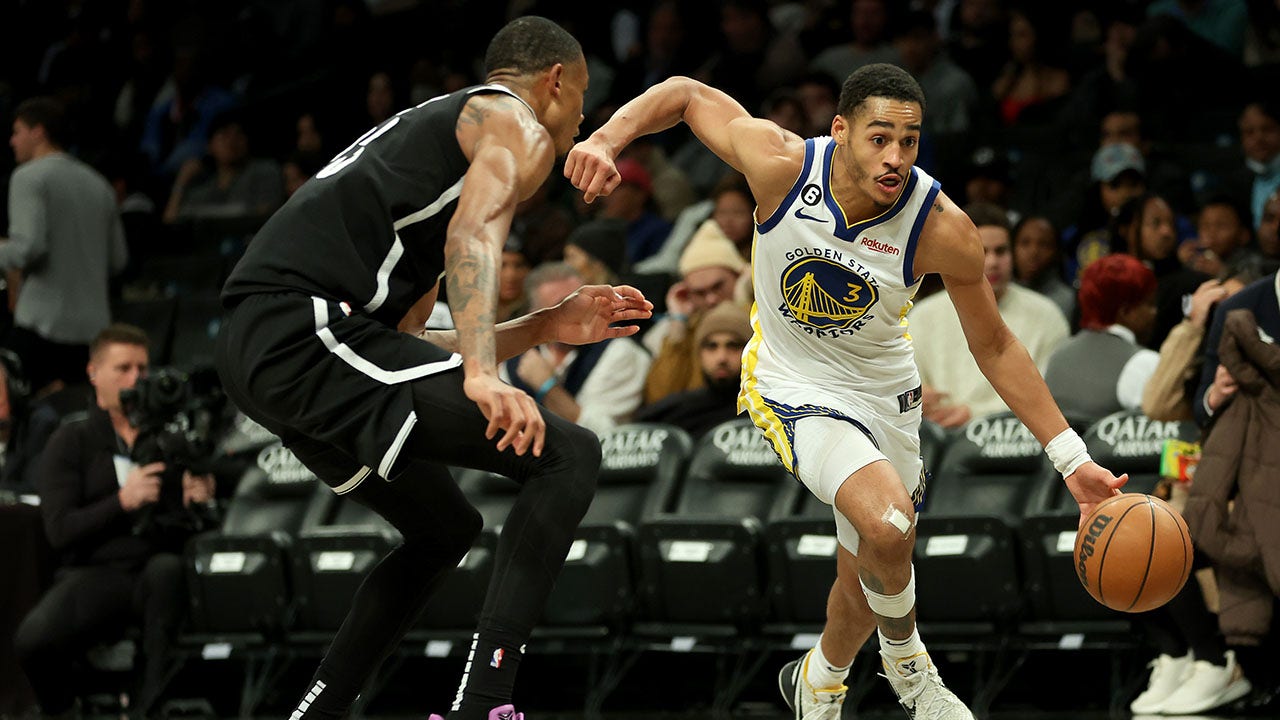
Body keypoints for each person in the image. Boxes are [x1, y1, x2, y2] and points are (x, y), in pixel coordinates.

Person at [566, 62, 1126, 720]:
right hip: (793, 381)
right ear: (841, 131)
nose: (894, 157)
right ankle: (911, 668)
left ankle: (819, 682)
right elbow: (687, 95)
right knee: (889, 527)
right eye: (878, 137)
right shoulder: (781, 166)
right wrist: (606, 138)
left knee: (866, 565)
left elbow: (996, 345)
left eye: (909, 141)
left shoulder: (943, 227)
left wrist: (1073, 460)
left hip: (886, 394)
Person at [214, 17, 651, 720]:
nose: (580, 119)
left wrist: (540, 325)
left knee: (444, 527)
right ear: (557, 81)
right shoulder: (516, 123)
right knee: (569, 454)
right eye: (583, 97)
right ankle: (486, 702)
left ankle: (316, 710)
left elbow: (411, 347)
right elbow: (474, 234)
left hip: (282, 346)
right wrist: (485, 373)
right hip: (301, 328)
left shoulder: (427, 158)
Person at [14, 324, 215, 718]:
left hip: (156, 567)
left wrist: (199, 495)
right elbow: (59, 530)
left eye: (142, 369)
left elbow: (204, 506)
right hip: (98, 571)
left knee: (166, 571)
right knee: (32, 642)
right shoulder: (71, 439)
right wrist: (121, 501)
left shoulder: (168, 438)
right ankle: (64, 711)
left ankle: (147, 710)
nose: (135, 379)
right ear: (94, 373)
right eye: (123, 368)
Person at [2, 96, 129, 394]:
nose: (11, 140)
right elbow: (118, 260)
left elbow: (27, 248)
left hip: (42, 327)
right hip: (92, 334)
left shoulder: (28, 177)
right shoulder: (98, 184)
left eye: (17, 130)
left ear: (39, 132)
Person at [910, 203, 1069, 428]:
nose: (993, 263)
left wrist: (973, 413)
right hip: (936, 437)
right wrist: (913, 397)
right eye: (982, 251)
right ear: (959, 253)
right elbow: (899, 385)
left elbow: (1050, 398)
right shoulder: (923, 316)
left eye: (1001, 251)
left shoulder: (1047, 315)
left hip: (1018, 439)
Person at [505, 262, 650, 437]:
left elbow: (603, 436)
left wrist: (547, 387)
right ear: (534, 315)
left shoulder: (619, 353)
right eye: (562, 307)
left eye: (582, 303)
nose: (577, 314)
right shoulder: (514, 358)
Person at [1043, 254, 1159, 423]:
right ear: (1125, 312)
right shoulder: (1144, 363)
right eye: (1149, 304)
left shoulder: (1056, 356)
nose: (1154, 313)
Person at [634, 299, 751, 439]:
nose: (721, 358)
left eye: (733, 346)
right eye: (711, 346)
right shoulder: (670, 414)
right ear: (699, 354)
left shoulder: (769, 414)